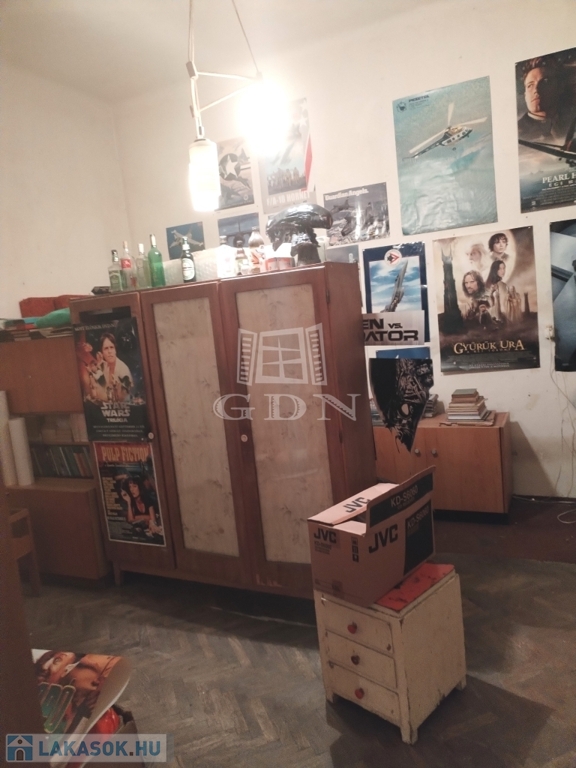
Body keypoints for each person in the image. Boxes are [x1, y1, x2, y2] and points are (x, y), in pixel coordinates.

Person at [517, 56, 575, 141]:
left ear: (560, 87)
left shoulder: (570, 122)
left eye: (545, 82)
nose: (536, 90)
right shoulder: (519, 133)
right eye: (530, 85)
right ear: (525, 95)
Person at [99, 332, 133, 402]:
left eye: (111, 347)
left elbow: (126, 398)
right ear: (102, 352)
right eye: (106, 348)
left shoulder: (123, 370)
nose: (109, 351)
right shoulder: (103, 367)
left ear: (115, 350)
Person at [486, 259, 509, 324]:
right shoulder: (497, 285)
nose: (503, 271)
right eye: (500, 269)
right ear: (495, 270)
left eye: (504, 268)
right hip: (495, 313)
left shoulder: (502, 285)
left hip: (500, 313)